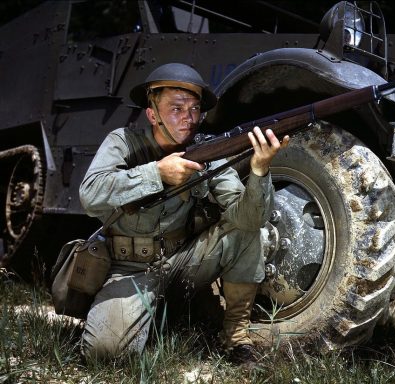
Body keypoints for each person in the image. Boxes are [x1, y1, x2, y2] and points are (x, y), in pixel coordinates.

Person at [78, 62, 289, 364]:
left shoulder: (208, 153)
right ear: (152, 114)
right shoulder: (123, 142)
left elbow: (250, 220)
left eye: (194, 109)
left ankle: (236, 339)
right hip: (130, 267)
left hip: (186, 261)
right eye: (176, 109)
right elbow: (89, 195)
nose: (188, 119)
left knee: (245, 230)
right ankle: (160, 312)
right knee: (105, 354)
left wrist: (259, 170)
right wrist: (156, 174)